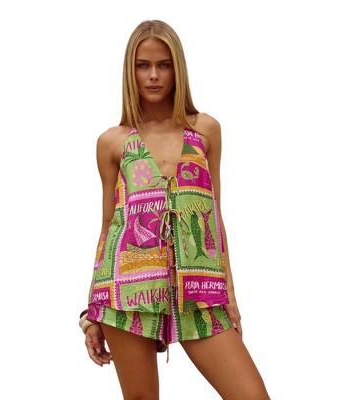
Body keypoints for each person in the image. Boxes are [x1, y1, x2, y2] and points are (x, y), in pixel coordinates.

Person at [79, 19, 271, 400]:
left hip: (199, 291)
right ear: (130, 71)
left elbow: (214, 217)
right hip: (127, 292)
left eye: (163, 65)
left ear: (177, 69)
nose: (153, 75)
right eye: (143, 65)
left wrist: (229, 294)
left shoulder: (204, 132)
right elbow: (108, 227)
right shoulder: (113, 142)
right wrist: (92, 313)